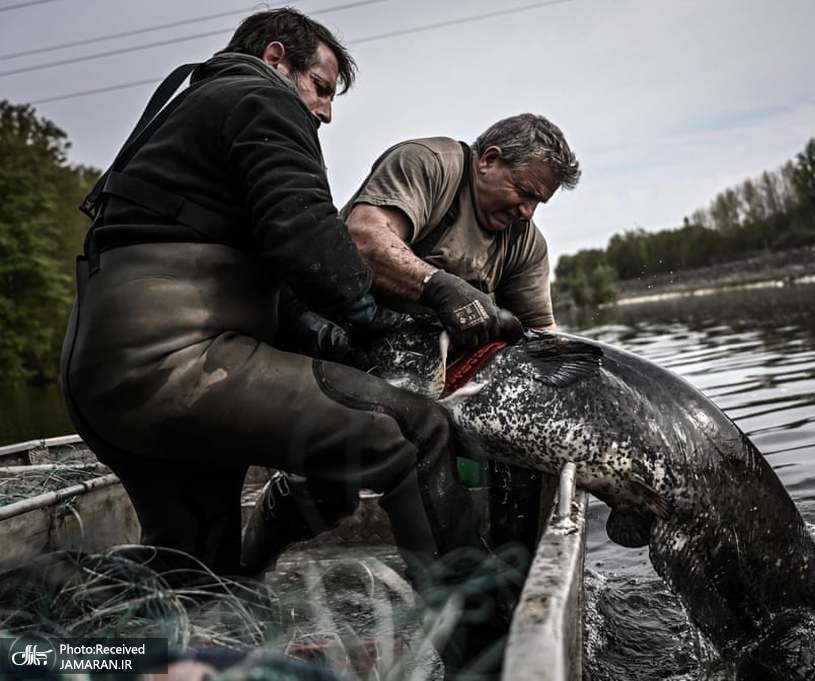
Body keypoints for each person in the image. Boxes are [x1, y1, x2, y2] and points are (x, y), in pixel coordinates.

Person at [58, 7, 478, 620]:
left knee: (199, 569)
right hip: (175, 365)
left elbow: (234, 263)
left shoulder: (186, 112)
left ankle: (86, 635)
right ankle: (488, 651)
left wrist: (323, 335)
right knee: (416, 435)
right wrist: (381, 316)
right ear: (278, 57)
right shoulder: (261, 96)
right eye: (322, 88)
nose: (325, 112)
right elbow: (310, 247)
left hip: (99, 379)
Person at [343, 114, 580, 340]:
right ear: (489, 160)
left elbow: (542, 336)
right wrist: (438, 287)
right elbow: (363, 239)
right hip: (335, 334)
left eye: (538, 202)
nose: (528, 213)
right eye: (524, 193)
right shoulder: (428, 164)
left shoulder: (526, 242)